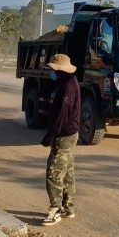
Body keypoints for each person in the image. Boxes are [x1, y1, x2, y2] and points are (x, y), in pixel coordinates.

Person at [40, 53, 80, 225]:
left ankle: (55, 209)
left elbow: (62, 114)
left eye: (53, 69)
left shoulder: (68, 87)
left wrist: (50, 135)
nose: (51, 72)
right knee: (67, 171)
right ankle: (68, 207)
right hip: (71, 133)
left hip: (64, 135)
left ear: (59, 70)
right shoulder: (68, 83)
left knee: (54, 172)